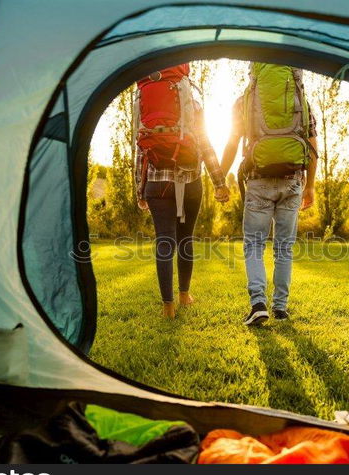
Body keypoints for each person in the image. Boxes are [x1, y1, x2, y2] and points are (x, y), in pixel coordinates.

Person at [220, 63, 317, 325]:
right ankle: (281, 308)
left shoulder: (245, 100)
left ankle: (258, 304)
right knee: (283, 248)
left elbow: (231, 142)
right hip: (292, 180)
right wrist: (310, 186)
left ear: (254, 73)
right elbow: (312, 145)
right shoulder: (301, 98)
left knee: (254, 245)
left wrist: (220, 179)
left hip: (259, 180)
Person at [134, 63, 229, 319]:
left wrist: (139, 189)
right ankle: (185, 294)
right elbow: (206, 144)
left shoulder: (142, 96)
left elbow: (140, 147)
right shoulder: (193, 101)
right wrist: (219, 182)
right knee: (185, 239)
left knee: (164, 241)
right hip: (190, 181)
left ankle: (168, 306)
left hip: (156, 180)